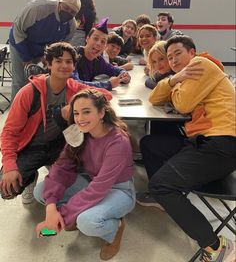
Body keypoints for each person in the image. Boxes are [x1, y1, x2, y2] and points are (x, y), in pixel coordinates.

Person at [139, 35, 236, 261]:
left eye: (177, 54)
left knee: (161, 184)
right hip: (205, 140)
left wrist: (175, 82)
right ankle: (161, 199)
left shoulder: (201, 64)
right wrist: (174, 80)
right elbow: (154, 97)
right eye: (169, 57)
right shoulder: (184, 74)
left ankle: (218, 246)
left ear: (192, 52)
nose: (172, 61)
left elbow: (183, 104)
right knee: (150, 144)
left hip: (222, 144)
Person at [0, 42, 112, 205]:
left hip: (61, 146)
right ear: (49, 64)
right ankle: (31, 177)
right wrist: (10, 166)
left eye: (69, 62)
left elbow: (106, 95)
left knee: (84, 177)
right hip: (31, 147)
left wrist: (74, 105)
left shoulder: (74, 89)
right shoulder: (29, 92)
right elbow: (9, 132)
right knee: (7, 191)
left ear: (74, 66)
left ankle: (56, 168)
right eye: (58, 61)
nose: (64, 65)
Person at [34, 88, 135, 261]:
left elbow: (99, 189)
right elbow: (61, 168)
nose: (80, 119)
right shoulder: (77, 132)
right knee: (41, 191)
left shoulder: (118, 142)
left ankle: (116, 227)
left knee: (87, 222)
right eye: (76, 113)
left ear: (102, 112)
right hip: (92, 181)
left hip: (118, 190)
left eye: (87, 112)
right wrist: (51, 208)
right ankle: (79, 212)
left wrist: (61, 219)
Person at [9, 0, 81, 101]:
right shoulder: (38, 8)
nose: (68, 13)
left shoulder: (71, 25)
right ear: (59, 3)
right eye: (66, 8)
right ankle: (15, 113)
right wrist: (26, 59)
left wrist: (48, 57)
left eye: (73, 12)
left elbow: (60, 47)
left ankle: (34, 111)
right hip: (20, 42)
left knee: (36, 81)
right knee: (20, 81)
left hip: (40, 48)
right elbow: (17, 31)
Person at [72, 18, 131, 90]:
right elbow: (75, 84)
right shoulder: (73, 56)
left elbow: (114, 70)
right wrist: (108, 84)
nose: (98, 44)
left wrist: (124, 75)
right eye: (96, 39)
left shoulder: (98, 60)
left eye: (103, 41)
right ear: (87, 38)